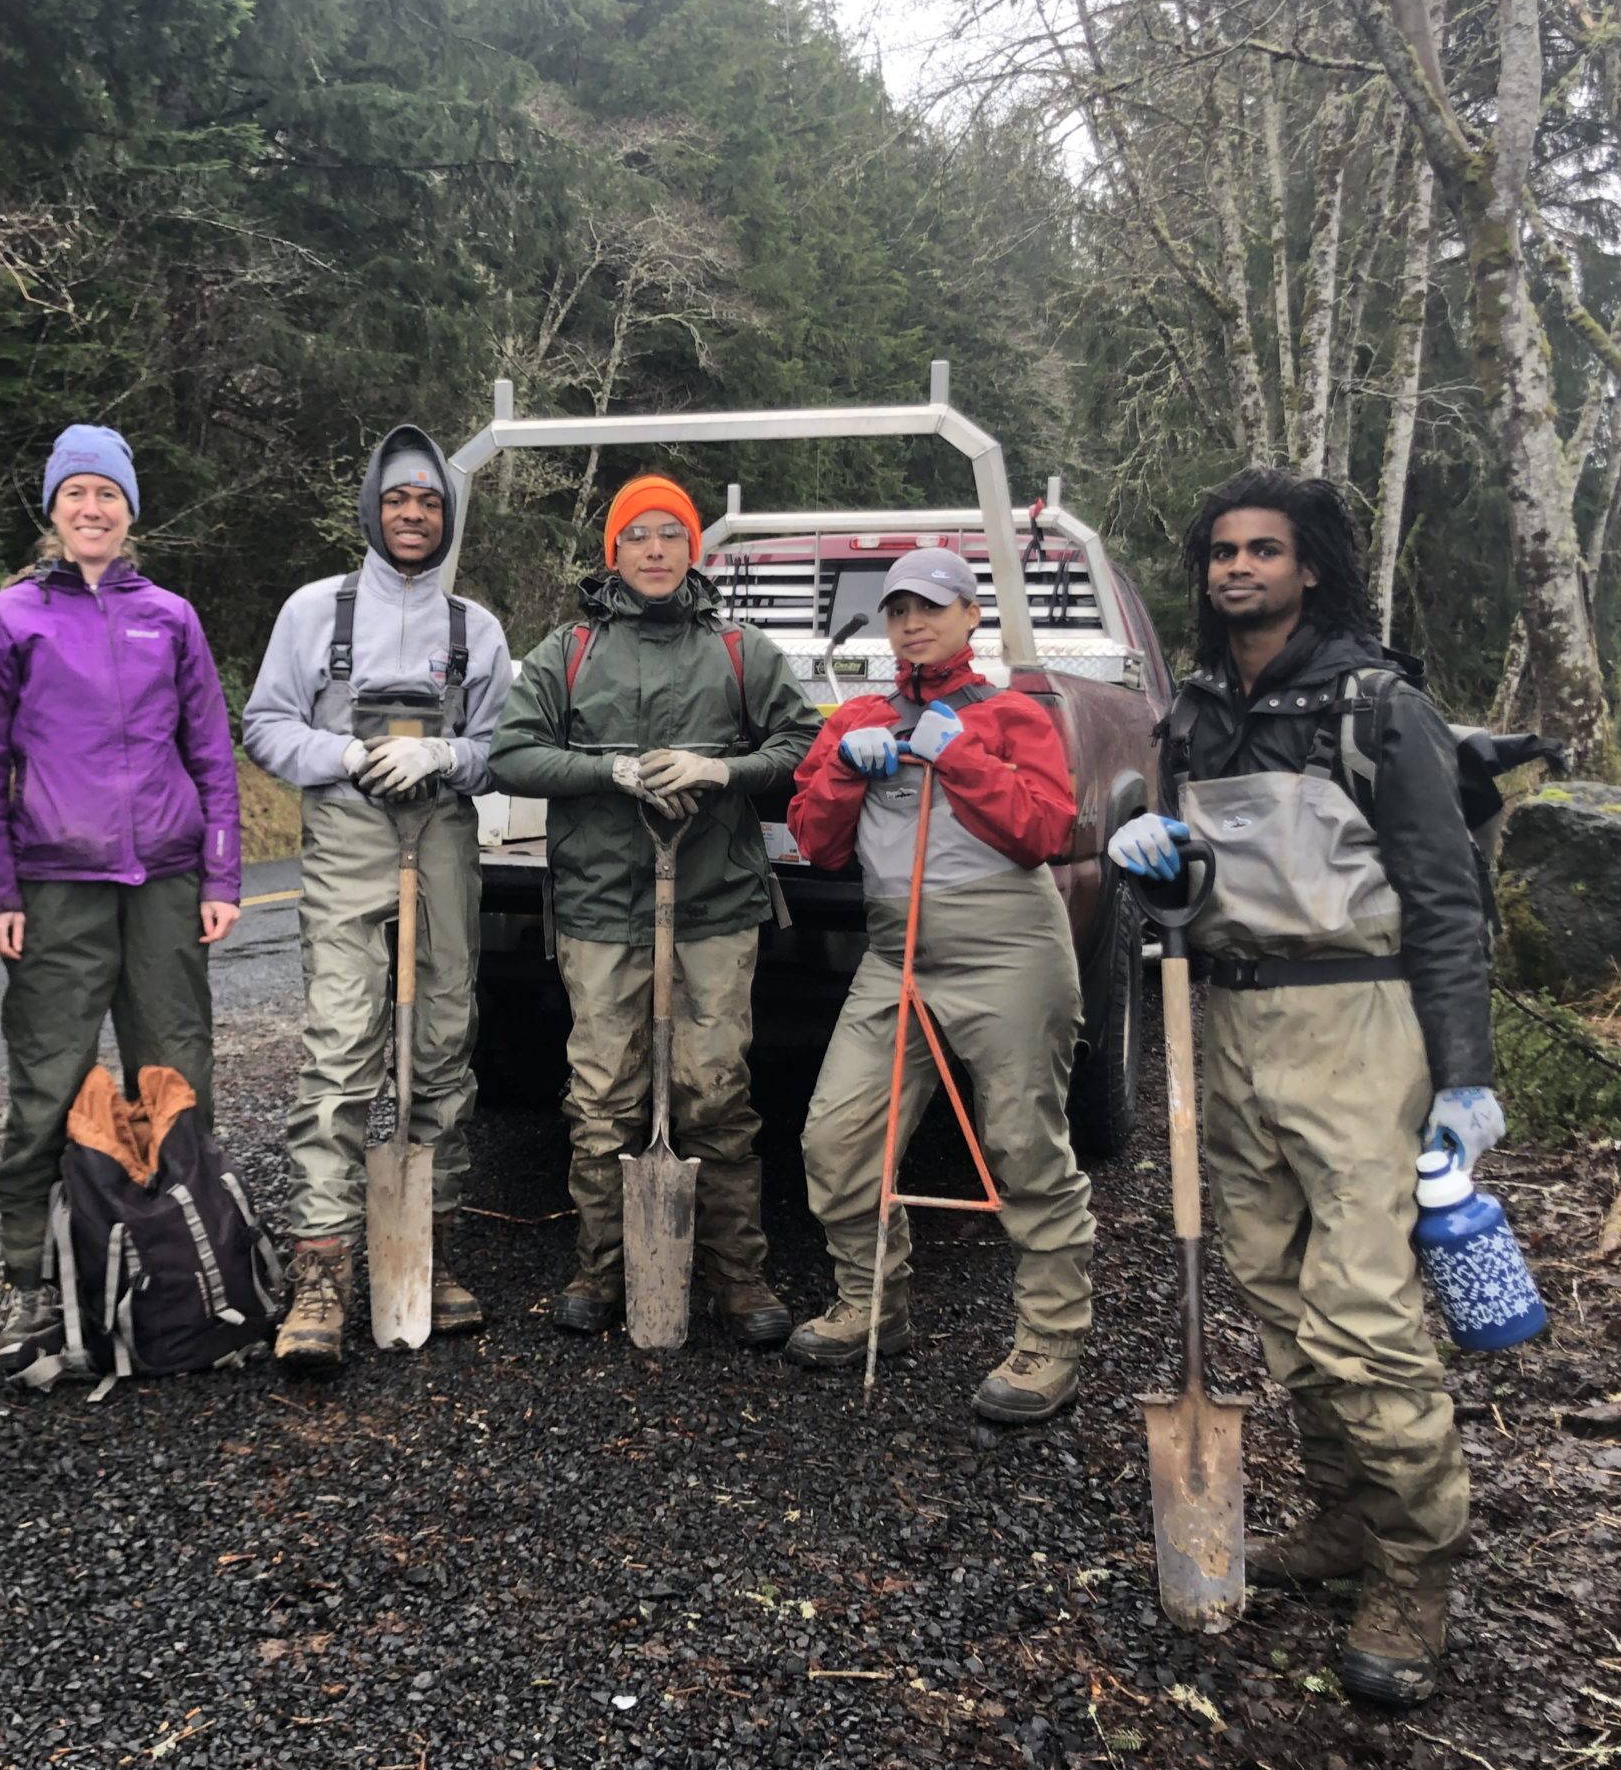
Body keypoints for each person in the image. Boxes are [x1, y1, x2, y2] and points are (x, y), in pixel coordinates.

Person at [1106, 468, 1498, 1706]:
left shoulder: (1379, 707)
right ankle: (1342, 1520)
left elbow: (1444, 898)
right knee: (1276, 1295)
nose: (1237, 569)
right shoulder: (1196, 712)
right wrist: (1156, 880)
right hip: (1230, 1020)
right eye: (1221, 549)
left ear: (1310, 565)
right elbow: (1188, 887)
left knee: (1366, 1316)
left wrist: (1463, 1075)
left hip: (1358, 1023)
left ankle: (1413, 1567)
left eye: (1263, 550)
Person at [488, 473, 821, 1344]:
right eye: (638, 534)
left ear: (694, 549)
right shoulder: (570, 651)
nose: (656, 549)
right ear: (614, 551)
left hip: (714, 903)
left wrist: (723, 771)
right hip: (602, 906)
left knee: (716, 1093)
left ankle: (736, 1276)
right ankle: (603, 1268)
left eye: (672, 533)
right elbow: (513, 754)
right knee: (602, 1099)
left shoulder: (741, 650)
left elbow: (802, 747)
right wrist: (612, 771)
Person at [782, 548, 1097, 1419]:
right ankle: (872, 1301)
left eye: (931, 606)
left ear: (970, 616)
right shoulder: (856, 717)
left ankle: (1050, 1339)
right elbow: (818, 843)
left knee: (1023, 1145)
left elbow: (1046, 831)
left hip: (1009, 950)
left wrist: (961, 759)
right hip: (897, 953)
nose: (912, 623)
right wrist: (847, 767)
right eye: (897, 610)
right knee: (836, 1139)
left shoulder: (1011, 714)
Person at [0, 425, 243, 1366]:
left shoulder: (170, 615)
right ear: (52, 509)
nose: (93, 509)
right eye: (76, 494)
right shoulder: (13, 617)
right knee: (48, 1081)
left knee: (177, 1072)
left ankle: (192, 1262)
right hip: (54, 883)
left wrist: (221, 871)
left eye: (109, 495)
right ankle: (31, 1284)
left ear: (132, 510)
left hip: (165, 879)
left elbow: (211, 753)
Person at [242, 426, 512, 1369]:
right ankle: (321, 1270)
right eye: (397, 499)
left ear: (448, 516)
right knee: (339, 1049)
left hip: (440, 840)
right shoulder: (315, 611)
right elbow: (266, 724)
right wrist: (347, 754)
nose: (412, 514)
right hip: (348, 840)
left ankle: (426, 1248)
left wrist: (443, 753)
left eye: (429, 502)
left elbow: (499, 745)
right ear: (372, 506)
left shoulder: (475, 629)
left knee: (442, 1045)